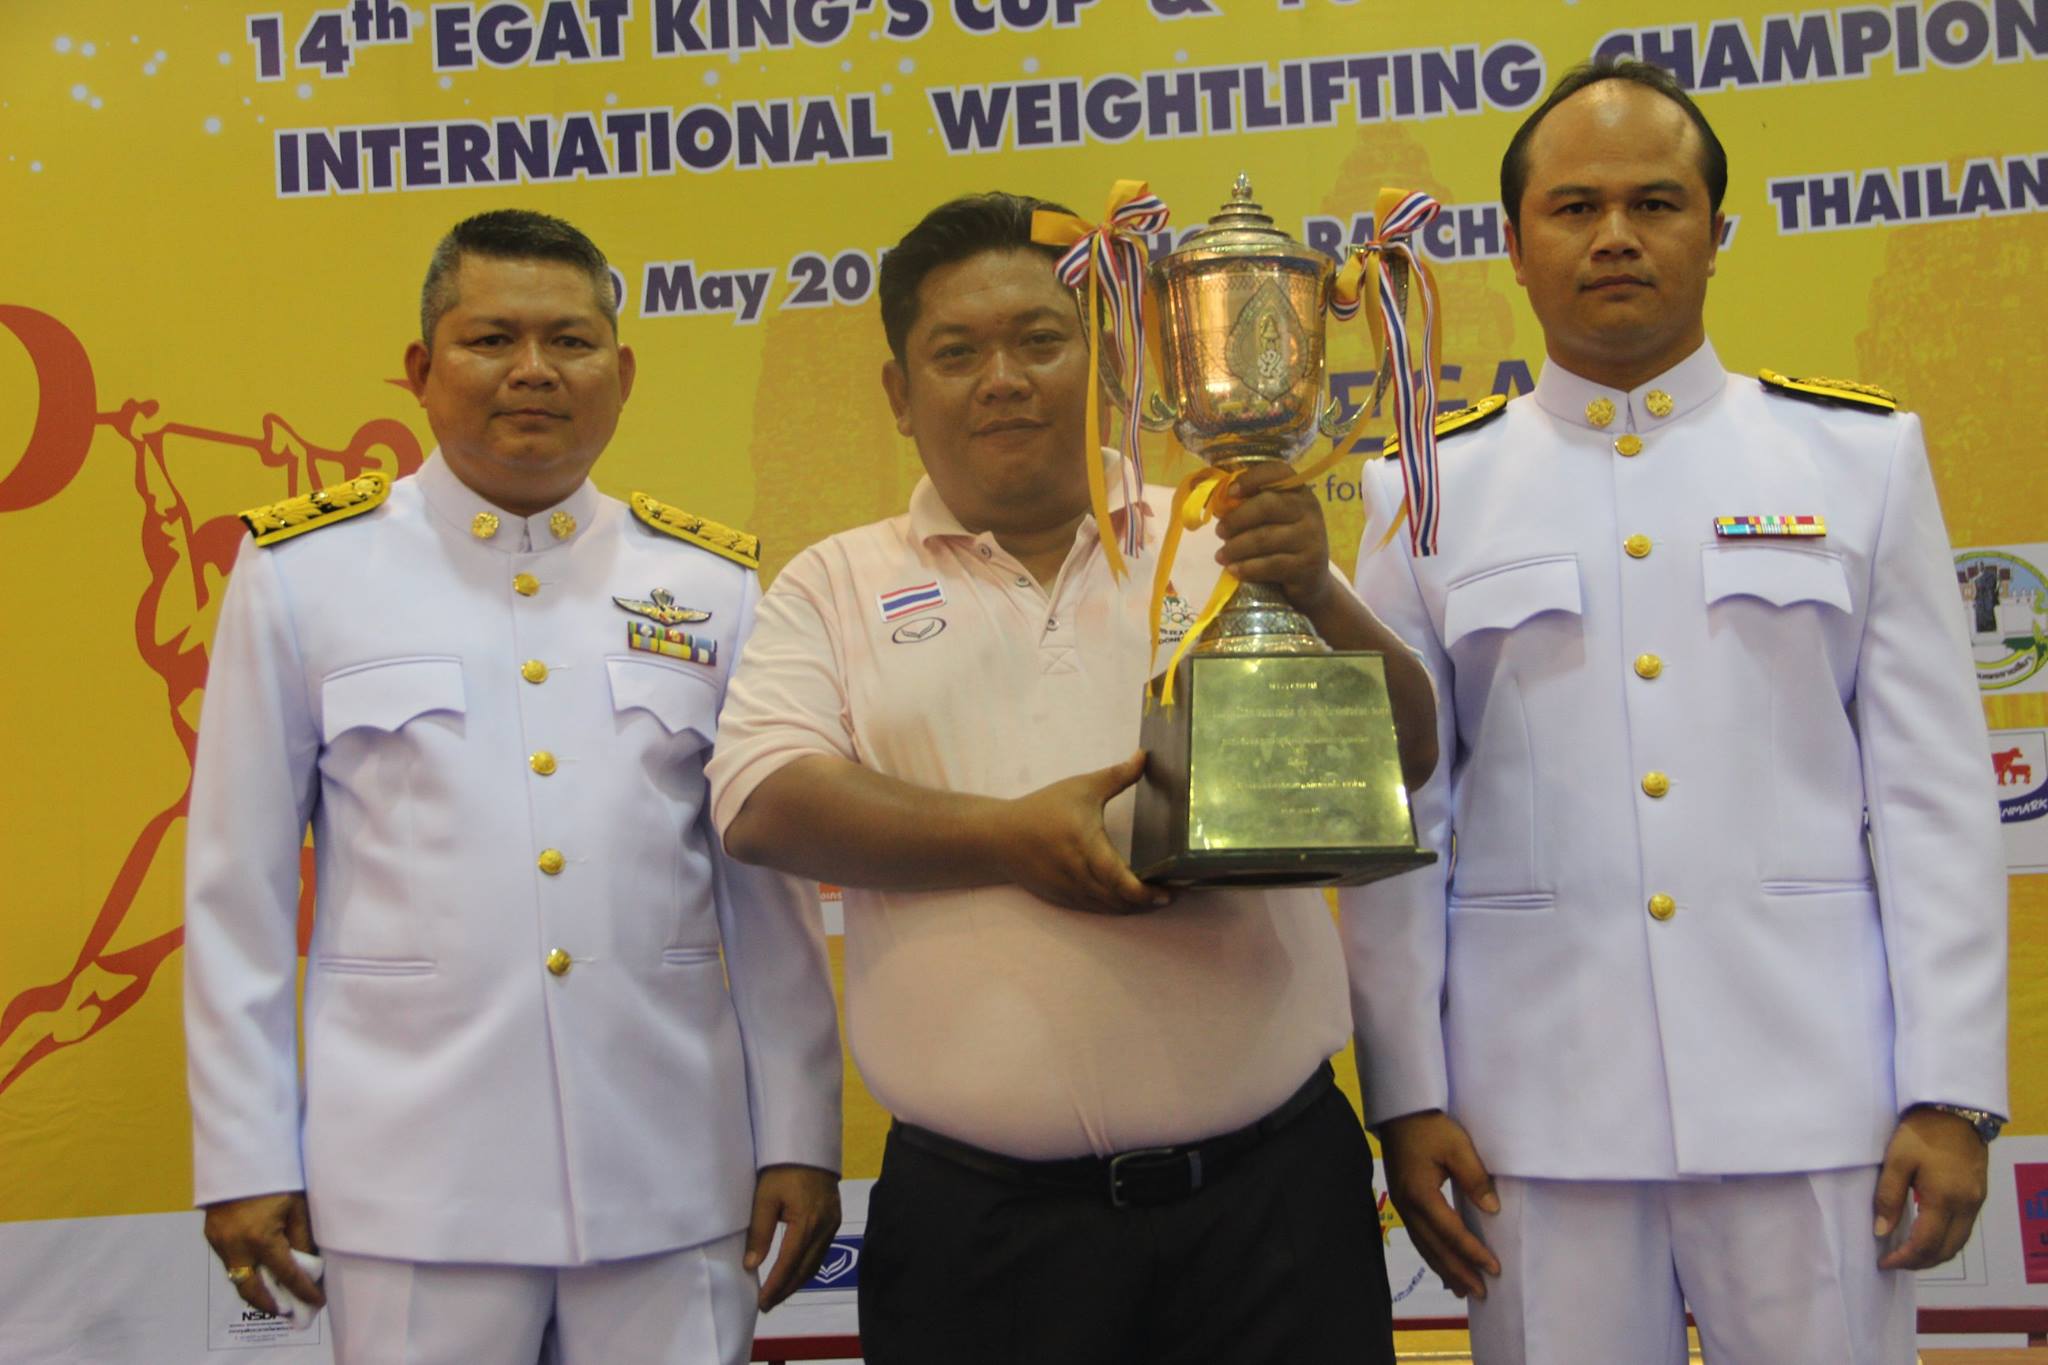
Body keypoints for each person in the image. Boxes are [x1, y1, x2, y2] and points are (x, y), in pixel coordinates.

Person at [1343, 58, 2008, 1365]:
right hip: (1534, 1113)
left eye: (1654, 203)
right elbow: (1401, 817)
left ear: (1716, 234)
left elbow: (1931, 797)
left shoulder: (1856, 459)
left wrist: (1951, 1091)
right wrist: (1407, 1094)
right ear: (1513, 248)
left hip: (1815, 1094)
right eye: (1573, 207)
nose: (1614, 236)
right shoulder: (1424, 490)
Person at [704, 190, 1436, 1365]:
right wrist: (1006, 840)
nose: (1003, 380)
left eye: (1039, 341)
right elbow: (761, 799)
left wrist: (1310, 590)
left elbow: (1404, 753)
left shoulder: (1222, 532)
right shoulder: (832, 584)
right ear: (899, 393)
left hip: (1269, 1211)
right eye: (956, 352)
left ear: (1107, 361)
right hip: (979, 1235)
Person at [183, 208, 843, 1365]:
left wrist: (796, 1132)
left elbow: (763, 893)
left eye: (569, 342)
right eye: (491, 339)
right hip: (413, 1181)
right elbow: (237, 889)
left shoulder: (710, 584)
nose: (532, 370)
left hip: (669, 1170)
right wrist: (243, 1153)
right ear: (421, 368)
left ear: (620, 373)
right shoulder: (304, 573)